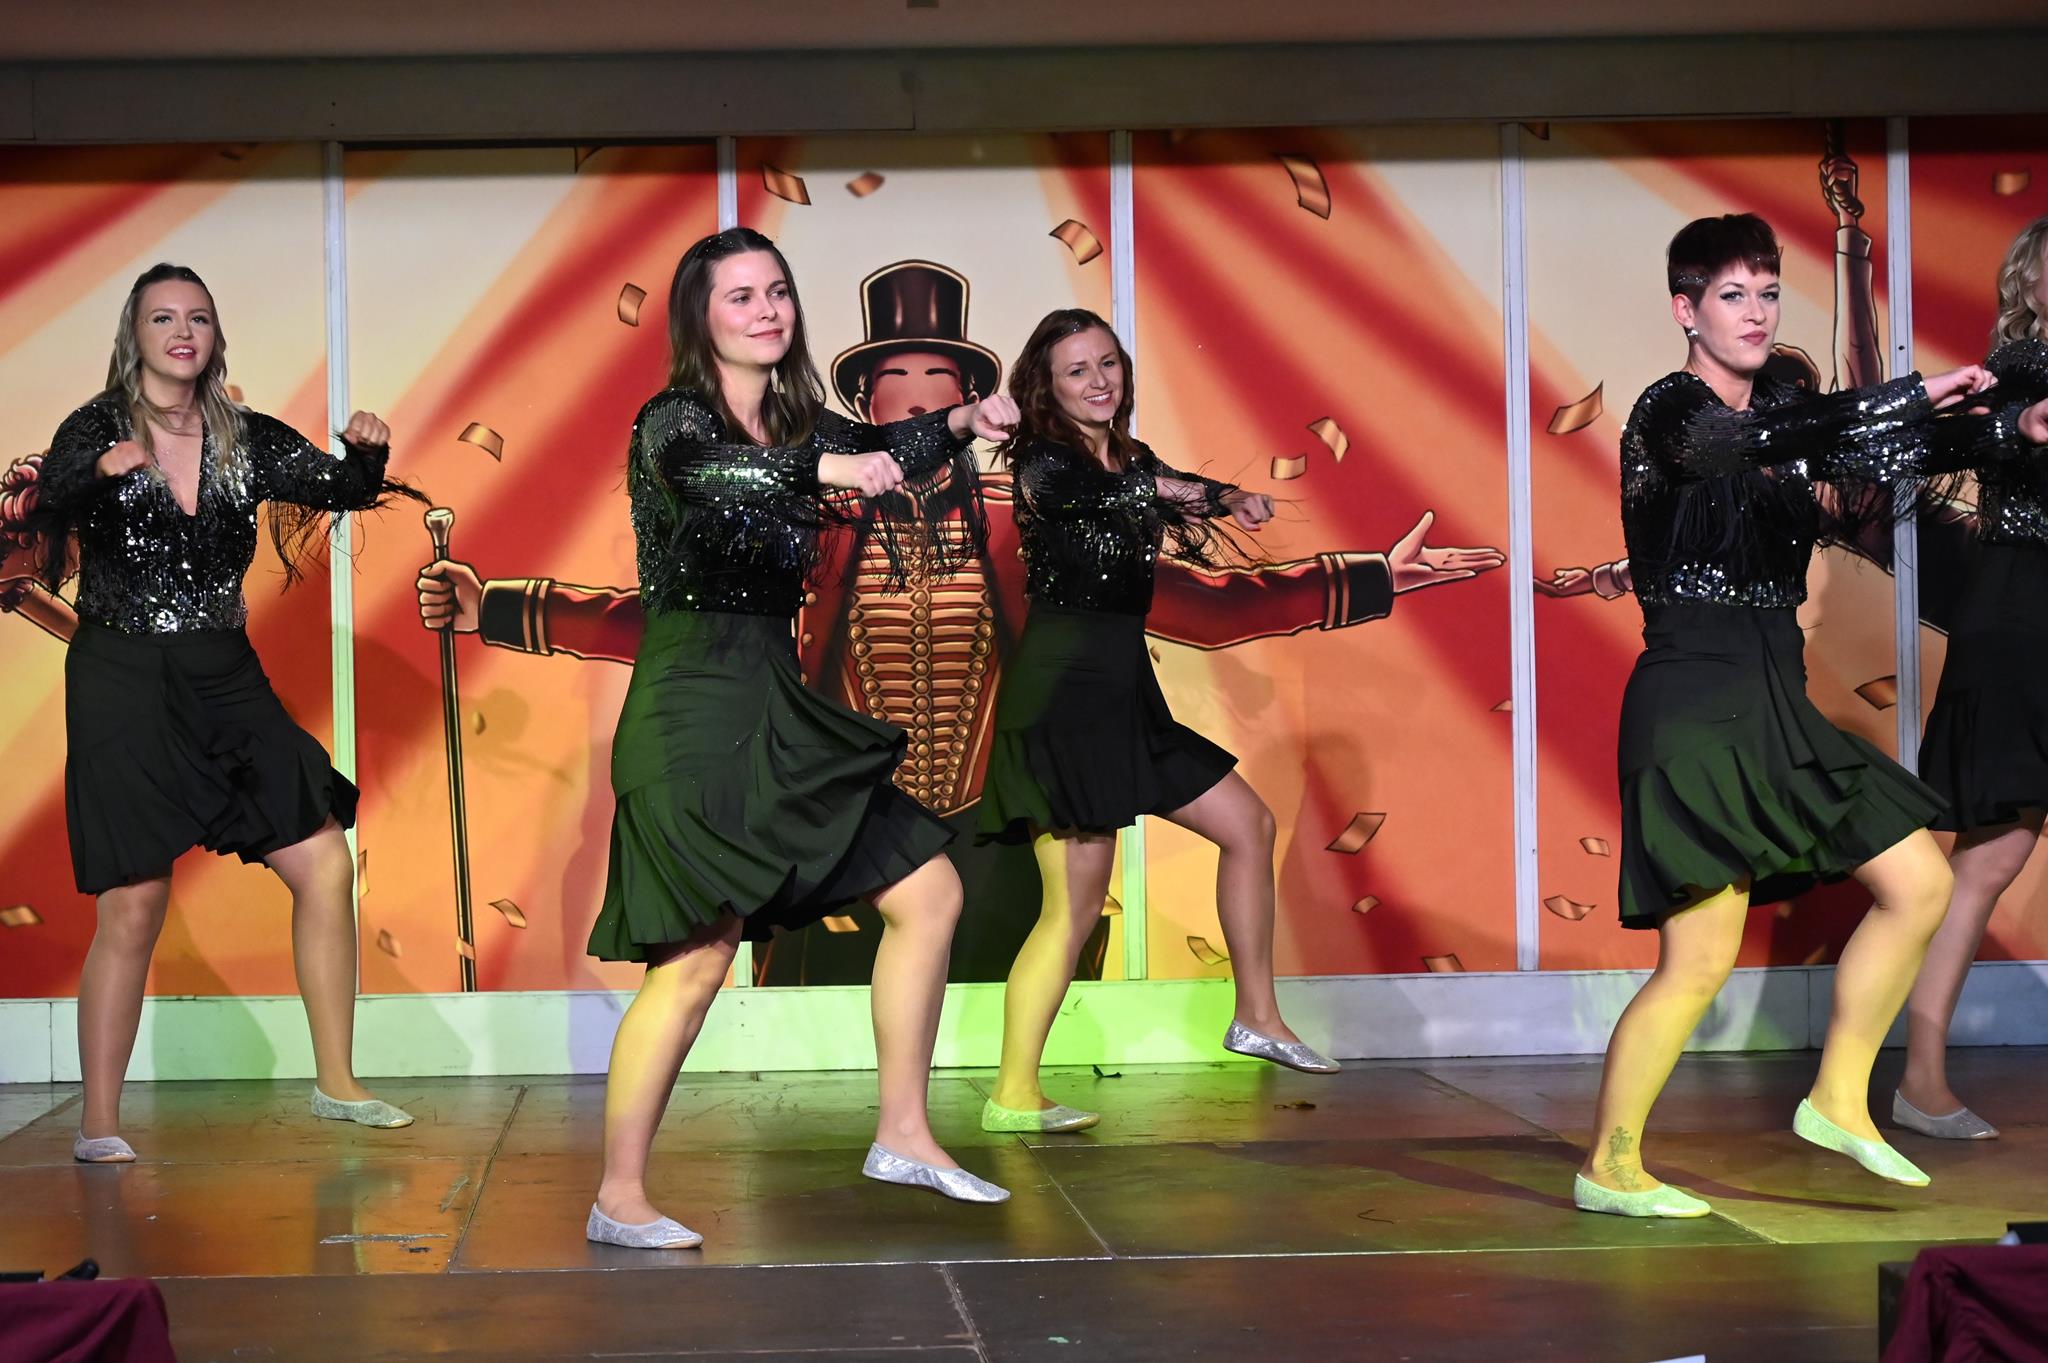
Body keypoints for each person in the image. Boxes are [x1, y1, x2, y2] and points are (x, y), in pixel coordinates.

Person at [416, 259, 1497, 987]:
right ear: (866, 406)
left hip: (988, 815)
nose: (914, 401)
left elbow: (1201, 605)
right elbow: (670, 612)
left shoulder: (1022, 513)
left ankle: (964, 1121)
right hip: (842, 805)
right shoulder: (815, 504)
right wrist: (495, 606)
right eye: (894, 385)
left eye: (939, 387)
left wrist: (1368, 578)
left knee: (1009, 961)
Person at [1575, 215, 2047, 1218]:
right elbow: (1750, 440)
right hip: (1695, 706)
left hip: (1774, 700)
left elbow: (1879, 440)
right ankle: (1609, 1164)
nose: (1753, 312)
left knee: (1918, 880)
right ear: (1686, 310)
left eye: (1766, 293)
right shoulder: (1671, 409)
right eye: (1731, 295)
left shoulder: (1790, 413)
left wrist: (2007, 429)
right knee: (1697, 960)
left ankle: (1837, 1098)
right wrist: (1903, 393)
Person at [582, 228, 1021, 1250]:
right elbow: (709, 472)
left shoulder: (801, 421)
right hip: (692, 706)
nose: (766, 309)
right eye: (740, 296)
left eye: (776, 290)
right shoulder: (674, 418)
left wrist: (964, 418)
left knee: (929, 892)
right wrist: (830, 462)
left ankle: (903, 1132)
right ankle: (618, 1194)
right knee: (696, 959)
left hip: (777, 701)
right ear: (700, 318)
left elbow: (886, 447)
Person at [971, 307, 1502, 1132]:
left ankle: (1255, 1014)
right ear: (1046, 386)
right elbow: (1128, 493)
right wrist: (1218, 496)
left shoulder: (1130, 455)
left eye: (1108, 363)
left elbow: (1177, 524)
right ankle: (1013, 1093)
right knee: (1070, 911)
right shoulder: (1045, 462)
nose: (1099, 381)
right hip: (1064, 703)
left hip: (1123, 696)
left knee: (1247, 825)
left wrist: (1269, 520)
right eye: (1078, 370)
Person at [26, 263, 422, 1163]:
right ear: (134, 336)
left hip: (222, 674)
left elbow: (343, 490)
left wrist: (367, 454)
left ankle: (337, 1081)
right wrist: (98, 472)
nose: (182, 332)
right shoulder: (96, 425)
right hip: (122, 673)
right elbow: (50, 497)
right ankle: (98, 1122)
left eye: (197, 318)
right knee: (135, 903)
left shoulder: (246, 438)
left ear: (215, 336)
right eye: (163, 318)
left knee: (324, 860)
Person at [1907, 216, 2048, 1140]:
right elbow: (1969, 437)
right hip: (2022, 617)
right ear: (2029, 286)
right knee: (1988, 859)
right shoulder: (2022, 374)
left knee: (1990, 860)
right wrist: (2015, 425)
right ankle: (1918, 1075)